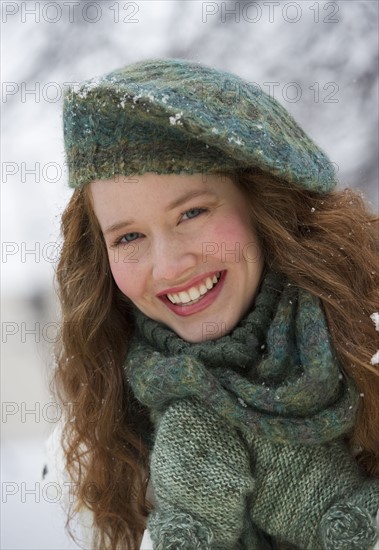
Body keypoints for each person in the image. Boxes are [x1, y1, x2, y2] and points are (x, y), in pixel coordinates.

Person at [53, 58, 379, 549]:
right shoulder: (100, 446)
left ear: (262, 205)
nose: (168, 267)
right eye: (129, 237)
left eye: (191, 212)